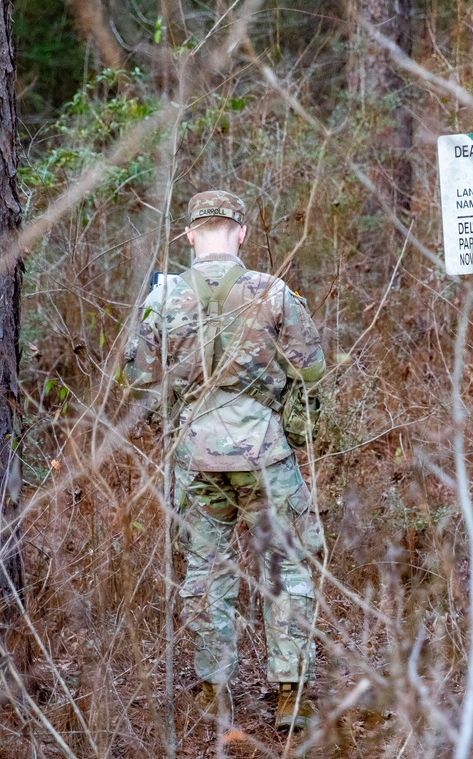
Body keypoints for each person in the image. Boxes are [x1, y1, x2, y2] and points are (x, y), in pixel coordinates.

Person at [124, 190, 326, 731]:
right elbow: (312, 368)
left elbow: (139, 376)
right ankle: (292, 694)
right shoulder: (273, 292)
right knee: (285, 564)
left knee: (207, 571)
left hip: (194, 453)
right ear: (239, 234)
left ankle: (214, 693)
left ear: (190, 235)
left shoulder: (164, 298)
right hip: (264, 451)